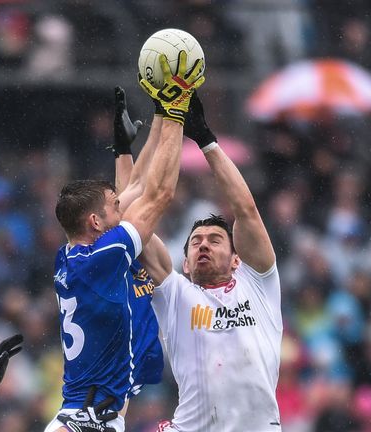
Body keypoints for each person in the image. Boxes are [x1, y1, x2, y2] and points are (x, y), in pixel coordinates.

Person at [46, 52, 206, 432]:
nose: (123, 208)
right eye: (114, 208)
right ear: (95, 222)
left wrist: (134, 140)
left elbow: (133, 191)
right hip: (87, 421)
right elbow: (159, 193)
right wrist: (175, 111)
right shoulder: (104, 255)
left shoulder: (80, 255)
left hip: (92, 415)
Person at [116, 91, 283, 431]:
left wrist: (206, 141)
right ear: (187, 264)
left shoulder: (259, 284)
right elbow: (130, 225)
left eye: (215, 240)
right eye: (196, 242)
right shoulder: (176, 293)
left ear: (236, 260)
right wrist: (126, 151)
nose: (204, 244)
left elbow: (246, 210)